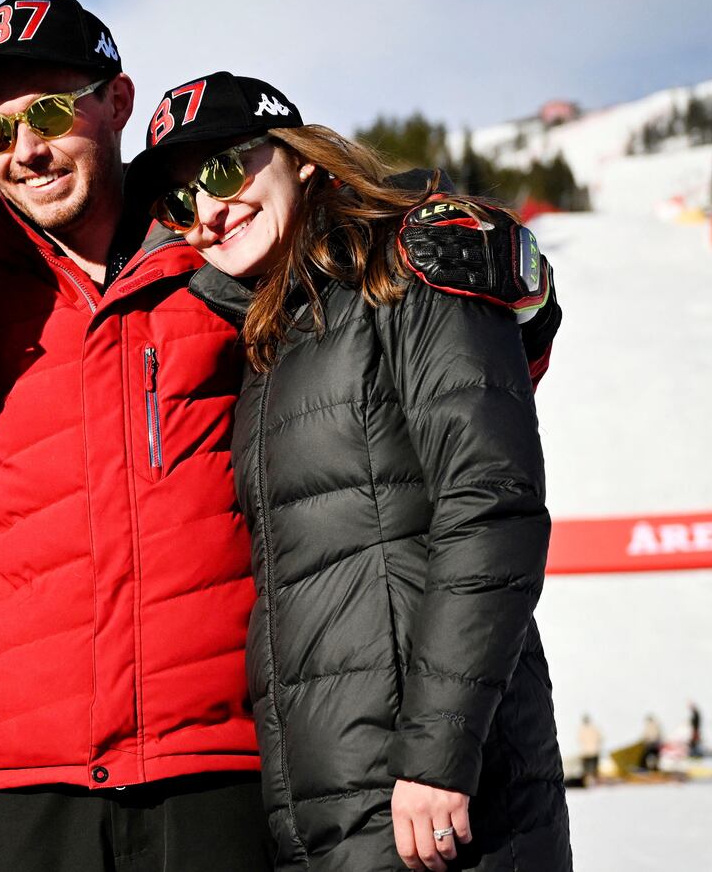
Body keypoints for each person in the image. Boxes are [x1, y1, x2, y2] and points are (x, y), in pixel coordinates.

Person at [0, 0, 560, 872]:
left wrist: (515, 286)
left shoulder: (220, 269)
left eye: (49, 111)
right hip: (26, 777)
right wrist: (18, 639)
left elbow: (443, 397)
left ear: (114, 103)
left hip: (219, 768)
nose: (24, 148)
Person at [127, 70, 571, 871]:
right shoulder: (276, 334)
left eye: (225, 172)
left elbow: (490, 506)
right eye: (178, 201)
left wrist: (438, 755)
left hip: (437, 804)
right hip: (330, 806)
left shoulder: (409, 260)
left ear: (299, 157)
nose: (207, 212)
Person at [578, 715, 604, 785]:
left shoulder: (582, 730)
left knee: (586, 770)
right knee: (594, 769)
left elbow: (580, 740)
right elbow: (600, 738)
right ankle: (595, 782)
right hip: (594, 752)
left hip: (586, 753)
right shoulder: (594, 729)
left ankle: (587, 783)